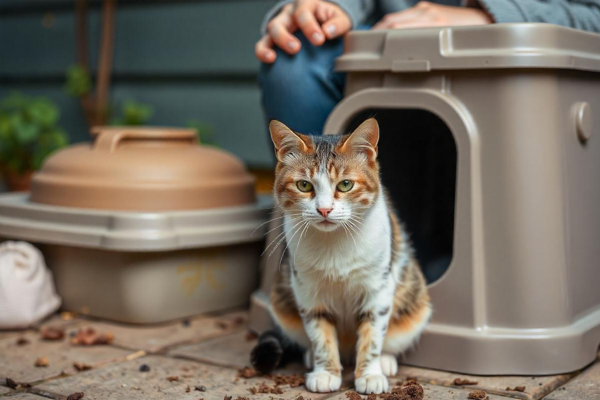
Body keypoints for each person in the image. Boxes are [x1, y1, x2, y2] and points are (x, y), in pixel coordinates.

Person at [257, 0, 600, 135]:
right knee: (297, 59)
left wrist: (490, 16)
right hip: (391, 48)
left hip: (530, 68)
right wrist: (329, 7)